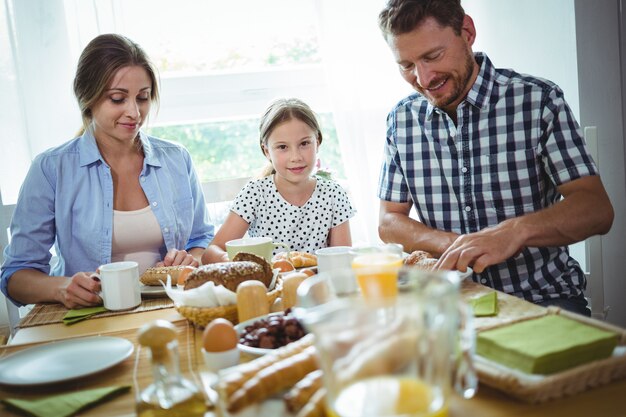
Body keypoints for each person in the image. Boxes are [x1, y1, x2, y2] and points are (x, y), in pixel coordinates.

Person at [376, 0, 614, 316]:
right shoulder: (401, 120)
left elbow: (596, 209)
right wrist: (460, 243)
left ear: (467, 32)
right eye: (406, 65)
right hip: (450, 303)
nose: (423, 77)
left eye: (432, 56)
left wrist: (512, 232)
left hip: (543, 300)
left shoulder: (538, 100)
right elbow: (389, 221)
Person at [1, 34, 214, 309]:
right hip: (88, 317)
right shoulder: (51, 168)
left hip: (168, 307)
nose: (134, 112)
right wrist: (62, 288)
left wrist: (192, 258)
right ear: (87, 98)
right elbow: (15, 275)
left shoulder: (176, 159)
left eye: (143, 98)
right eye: (117, 99)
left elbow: (202, 238)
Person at [202, 98, 355, 264]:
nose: (295, 157)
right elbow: (211, 252)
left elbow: (343, 260)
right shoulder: (255, 193)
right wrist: (231, 259)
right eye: (282, 147)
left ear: (317, 143)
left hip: (318, 287)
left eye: (304, 143)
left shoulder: (333, 194)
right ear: (266, 151)